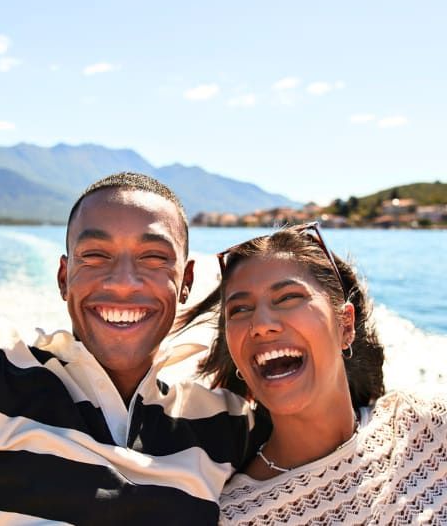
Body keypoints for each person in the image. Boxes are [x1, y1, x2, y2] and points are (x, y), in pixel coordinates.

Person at [0, 172, 266, 524]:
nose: (123, 281)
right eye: (96, 255)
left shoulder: (223, 424)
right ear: (64, 276)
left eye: (154, 257)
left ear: (187, 281)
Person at [177, 222, 447, 524]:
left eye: (288, 298)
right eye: (239, 310)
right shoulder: (232, 515)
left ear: (345, 326)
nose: (261, 323)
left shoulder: (429, 429)